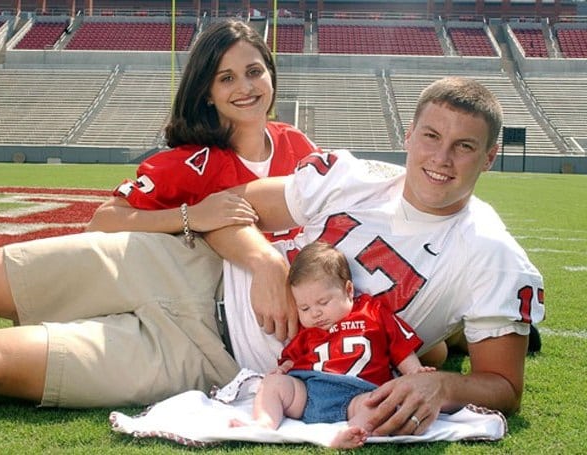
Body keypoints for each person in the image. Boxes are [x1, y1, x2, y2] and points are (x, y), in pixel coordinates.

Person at [0, 19, 319, 408]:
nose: (244, 87)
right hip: (168, 269)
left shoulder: (300, 149)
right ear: (207, 92)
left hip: (211, 348)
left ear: (271, 76)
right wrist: (191, 216)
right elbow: (104, 220)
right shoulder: (191, 161)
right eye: (226, 78)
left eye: (254, 72)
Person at [205, 76, 545, 436]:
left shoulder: (494, 255)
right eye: (431, 136)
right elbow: (225, 207)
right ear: (409, 135)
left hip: (226, 363)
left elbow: (505, 386)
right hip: (207, 275)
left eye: (464, 146)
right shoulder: (357, 177)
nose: (442, 159)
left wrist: (443, 386)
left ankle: (445, 344)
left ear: (489, 157)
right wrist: (264, 261)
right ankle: (444, 344)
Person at [233, 241, 434, 448]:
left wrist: (415, 372)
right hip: (309, 393)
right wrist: (283, 369)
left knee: (382, 404)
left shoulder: (372, 312)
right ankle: (264, 423)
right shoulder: (308, 331)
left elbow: (400, 348)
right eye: (304, 307)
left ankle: (351, 432)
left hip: (359, 393)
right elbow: (291, 358)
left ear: (348, 290)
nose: (315, 313)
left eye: (323, 302)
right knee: (272, 383)